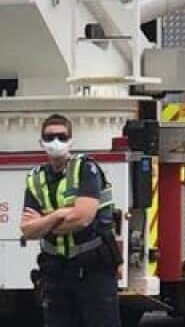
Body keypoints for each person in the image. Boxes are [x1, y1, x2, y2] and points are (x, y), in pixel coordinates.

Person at [19, 114, 122, 327]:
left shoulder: (86, 169)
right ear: (41, 143)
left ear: (71, 141)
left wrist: (45, 222)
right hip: (56, 271)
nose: (55, 142)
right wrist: (59, 215)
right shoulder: (35, 178)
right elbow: (27, 230)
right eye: (49, 137)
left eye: (61, 136)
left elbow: (82, 218)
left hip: (93, 269)